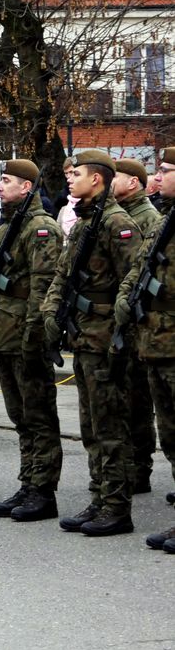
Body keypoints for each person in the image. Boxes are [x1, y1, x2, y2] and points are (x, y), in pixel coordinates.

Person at [44, 149, 142, 536]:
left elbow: (132, 284)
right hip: (84, 337)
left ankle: (117, 507)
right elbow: (63, 275)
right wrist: (52, 312)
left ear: (97, 179)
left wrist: (121, 338)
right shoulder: (85, 224)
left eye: (77, 173)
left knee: (110, 427)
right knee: (90, 425)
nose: (70, 178)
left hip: (105, 340)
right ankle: (101, 496)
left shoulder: (117, 223)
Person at [0, 160, 64, 522]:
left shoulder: (41, 228)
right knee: (20, 416)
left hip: (25, 337)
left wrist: (33, 337)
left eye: (6, 181)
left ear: (27, 188)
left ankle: (43, 489)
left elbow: (43, 288)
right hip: (3, 335)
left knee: (38, 416)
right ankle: (28, 482)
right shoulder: (8, 225)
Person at [119, 147, 175, 551]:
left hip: (169, 339)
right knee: (170, 435)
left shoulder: (155, 218)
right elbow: (138, 271)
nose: (159, 177)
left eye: (166, 171)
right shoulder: (166, 221)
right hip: (155, 341)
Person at [112, 159, 161, 494]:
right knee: (125, 397)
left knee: (138, 399)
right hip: (122, 320)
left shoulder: (147, 219)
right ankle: (131, 464)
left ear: (132, 182)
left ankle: (140, 467)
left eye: (116, 177)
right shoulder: (122, 215)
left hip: (140, 324)